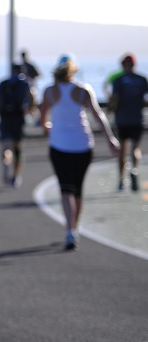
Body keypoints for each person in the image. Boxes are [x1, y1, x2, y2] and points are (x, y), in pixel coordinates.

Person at [39, 53, 119, 250]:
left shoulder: (49, 91)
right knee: (77, 189)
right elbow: (98, 115)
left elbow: (42, 117)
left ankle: (70, 230)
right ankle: (75, 227)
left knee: (66, 189)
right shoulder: (83, 90)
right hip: (83, 145)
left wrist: (47, 127)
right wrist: (110, 138)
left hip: (59, 145)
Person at [109, 53, 147, 191]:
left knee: (122, 150)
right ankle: (135, 170)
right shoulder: (142, 79)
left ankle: (121, 180)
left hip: (122, 119)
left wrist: (110, 109)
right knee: (135, 148)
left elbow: (114, 98)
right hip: (137, 118)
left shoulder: (118, 80)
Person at [0, 63, 34, 187]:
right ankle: (16, 176)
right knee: (18, 149)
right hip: (18, 118)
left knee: (6, 146)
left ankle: (6, 163)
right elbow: (32, 97)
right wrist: (30, 109)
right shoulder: (25, 83)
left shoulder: (4, 83)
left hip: (5, 117)